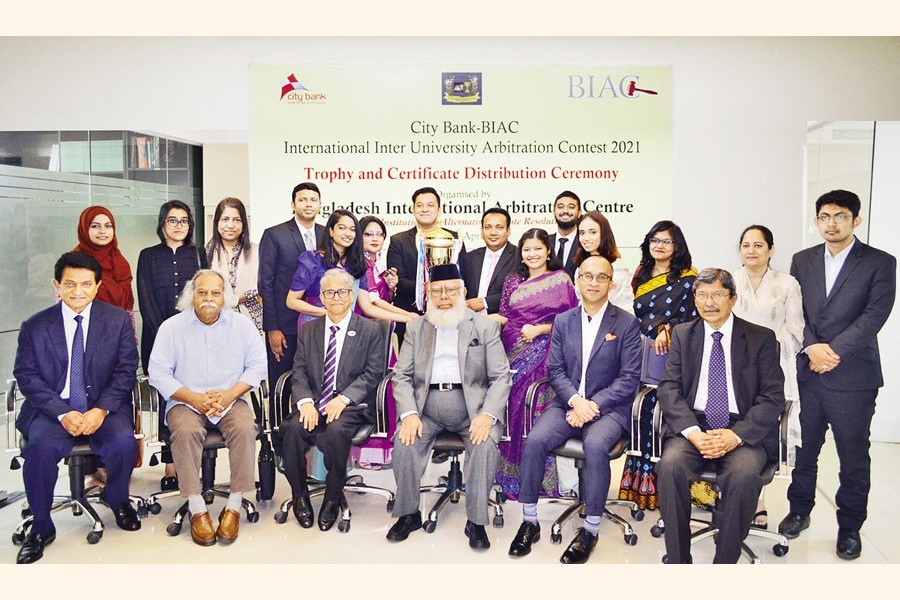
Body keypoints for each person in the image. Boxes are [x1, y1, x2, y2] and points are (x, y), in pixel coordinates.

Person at [778, 190, 896, 561]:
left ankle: (850, 527)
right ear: (816, 221)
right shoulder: (803, 260)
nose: (832, 223)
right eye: (825, 216)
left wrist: (834, 352)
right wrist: (812, 347)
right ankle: (799, 511)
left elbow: (874, 315)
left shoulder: (880, 262)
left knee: (853, 455)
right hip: (809, 374)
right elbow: (796, 313)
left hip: (853, 377)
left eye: (840, 216)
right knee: (804, 449)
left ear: (855, 220)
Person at [508, 256, 642, 564]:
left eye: (601, 277)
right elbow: (555, 370)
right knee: (536, 440)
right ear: (578, 281)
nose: (594, 283)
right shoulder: (564, 321)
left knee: (595, 445)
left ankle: (590, 529)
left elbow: (629, 378)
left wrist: (592, 404)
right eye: (588, 277)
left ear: (612, 283)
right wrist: (575, 402)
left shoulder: (626, 323)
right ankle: (529, 522)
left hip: (609, 409)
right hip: (568, 403)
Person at [13, 252, 141, 564]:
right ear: (57, 285)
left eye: (86, 284)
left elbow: (126, 370)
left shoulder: (117, 320)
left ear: (98, 285)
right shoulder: (35, 325)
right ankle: (41, 526)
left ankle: (118, 497)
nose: (78, 291)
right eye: (70, 284)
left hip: (102, 407)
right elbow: (26, 375)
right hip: (52, 409)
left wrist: (101, 410)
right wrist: (62, 412)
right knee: (40, 450)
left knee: (123, 444)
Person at [656, 268, 785, 564]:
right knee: (670, 467)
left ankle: (724, 564)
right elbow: (669, 388)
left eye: (716, 295)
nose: (708, 302)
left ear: (733, 298)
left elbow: (772, 397)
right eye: (702, 295)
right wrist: (693, 432)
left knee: (742, 475)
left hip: (743, 430)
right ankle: (678, 560)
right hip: (694, 427)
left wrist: (735, 435)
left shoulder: (761, 339)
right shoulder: (683, 334)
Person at [386, 263, 511, 550]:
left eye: (451, 290)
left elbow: (501, 376)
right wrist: (409, 414)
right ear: (429, 293)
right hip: (425, 408)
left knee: (484, 445)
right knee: (405, 443)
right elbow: (401, 375)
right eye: (437, 290)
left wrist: (487, 415)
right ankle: (408, 514)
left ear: (463, 292)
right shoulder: (417, 326)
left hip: (473, 410)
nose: (444, 296)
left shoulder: (484, 326)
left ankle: (476, 522)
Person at [148, 270, 267, 546]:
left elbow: (258, 366)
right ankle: (196, 506)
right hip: (185, 400)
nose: (208, 299)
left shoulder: (242, 325)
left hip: (231, 398)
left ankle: (235, 504)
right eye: (202, 293)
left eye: (215, 293)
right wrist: (193, 398)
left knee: (244, 428)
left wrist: (229, 395)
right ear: (192, 296)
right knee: (186, 431)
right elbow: (159, 373)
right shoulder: (171, 327)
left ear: (224, 296)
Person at [279, 269, 387, 531]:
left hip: (352, 406)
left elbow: (374, 372)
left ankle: (332, 496)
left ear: (351, 296)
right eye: (329, 292)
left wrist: (345, 398)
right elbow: (300, 369)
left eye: (342, 291)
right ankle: (299, 495)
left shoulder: (370, 330)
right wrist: (305, 402)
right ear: (322, 298)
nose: (336, 297)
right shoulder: (309, 330)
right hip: (315, 401)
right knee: (292, 429)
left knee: (334, 433)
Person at [491, 228, 577, 500]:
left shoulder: (561, 280)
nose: (532, 254)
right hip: (512, 353)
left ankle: (541, 480)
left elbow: (571, 321)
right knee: (512, 414)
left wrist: (539, 330)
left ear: (548, 251)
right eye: (527, 249)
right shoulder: (513, 280)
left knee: (535, 415)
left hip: (545, 354)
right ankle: (508, 478)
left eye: (538, 249)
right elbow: (505, 316)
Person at [618, 220, 698, 511]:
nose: (659, 246)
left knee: (660, 415)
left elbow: (694, 319)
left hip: (670, 355)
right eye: (654, 240)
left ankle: (671, 489)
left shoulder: (688, 279)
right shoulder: (640, 275)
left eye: (666, 241)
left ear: (677, 246)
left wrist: (668, 327)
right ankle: (639, 489)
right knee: (639, 415)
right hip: (637, 353)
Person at [732, 224, 804, 529]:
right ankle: (735, 499)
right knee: (733, 431)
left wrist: (764, 350)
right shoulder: (731, 280)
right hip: (733, 369)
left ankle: (757, 503)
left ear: (771, 250)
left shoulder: (787, 284)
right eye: (746, 245)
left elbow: (796, 332)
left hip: (773, 368)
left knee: (760, 434)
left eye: (758, 245)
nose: (751, 250)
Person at [136, 199, 208, 491]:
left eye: (184, 221)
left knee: (194, 397)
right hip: (158, 338)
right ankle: (170, 465)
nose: (178, 226)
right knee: (169, 400)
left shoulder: (199, 254)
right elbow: (145, 299)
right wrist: (167, 334)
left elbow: (204, 297)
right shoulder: (148, 255)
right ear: (162, 223)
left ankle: (192, 463)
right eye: (172, 220)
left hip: (196, 338)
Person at [258, 182, 325, 426]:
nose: (308, 204)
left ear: (320, 204)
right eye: (303, 199)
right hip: (284, 325)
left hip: (318, 324)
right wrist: (272, 329)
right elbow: (265, 284)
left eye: (313, 200)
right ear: (293, 204)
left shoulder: (327, 234)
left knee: (315, 383)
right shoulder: (274, 234)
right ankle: (278, 440)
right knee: (282, 384)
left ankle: (310, 440)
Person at [287, 209, 417, 327]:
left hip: (345, 328)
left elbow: (368, 307)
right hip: (314, 324)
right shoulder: (313, 260)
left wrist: (407, 317)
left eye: (353, 229)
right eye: (342, 228)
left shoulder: (357, 265)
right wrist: (328, 313)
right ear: (331, 231)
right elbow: (292, 301)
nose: (348, 233)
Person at [351, 215, 403, 468]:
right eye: (369, 233)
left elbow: (382, 299)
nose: (374, 238)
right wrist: (408, 317)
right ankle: (371, 455)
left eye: (379, 234)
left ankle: (387, 449)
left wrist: (392, 289)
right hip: (367, 337)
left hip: (381, 335)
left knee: (388, 390)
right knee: (376, 392)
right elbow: (370, 306)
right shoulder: (360, 264)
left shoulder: (374, 264)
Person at [387, 186, 466, 345]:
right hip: (410, 315)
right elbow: (399, 280)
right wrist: (426, 288)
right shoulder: (398, 241)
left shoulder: (454, 238)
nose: (425, 209)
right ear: (413, 209)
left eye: (430, 205)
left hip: (448, 315)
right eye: (420, 205)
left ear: (439, 209)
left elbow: (463, 276)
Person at [206, 197, 262, 333]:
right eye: (225, 219)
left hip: (250, 319)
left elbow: (262, 284)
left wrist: (235, 300)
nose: (230, 225)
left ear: (243, 223)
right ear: (217, 222)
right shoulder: (205, 252)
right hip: (214, 319)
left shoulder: (257, 250)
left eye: (236, 220)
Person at [73, 206, 135, 320]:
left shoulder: (121, 263)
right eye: (95, 226)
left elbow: (128, 310)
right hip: (83, 330)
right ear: (84, 229)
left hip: (117, 329)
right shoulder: (73, 262)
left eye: (108, 226)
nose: (102, 231)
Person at [572, 211, 634, 313]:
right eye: (582, 233)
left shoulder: (617, 267)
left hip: (615, 325)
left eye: (593, 232)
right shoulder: (580, 266)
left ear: (604, 234)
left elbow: (624, 305)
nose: (586, 238)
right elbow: (581, 302)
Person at [461, 207, 519, 315]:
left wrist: (484, 302)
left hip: (503, 322)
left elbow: (520, 292)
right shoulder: (470, 257)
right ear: (482, 231)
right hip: (469, 322)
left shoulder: (519, 256)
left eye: (499, 227)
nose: (493, 232)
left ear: (508, 231)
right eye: (488, 227)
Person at [547, 191, 583, 280]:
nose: (565, 211)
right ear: (554, 212)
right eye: (560, 207)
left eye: (571, 207)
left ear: (579, 213)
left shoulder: (585, 242)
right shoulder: (544, 242)